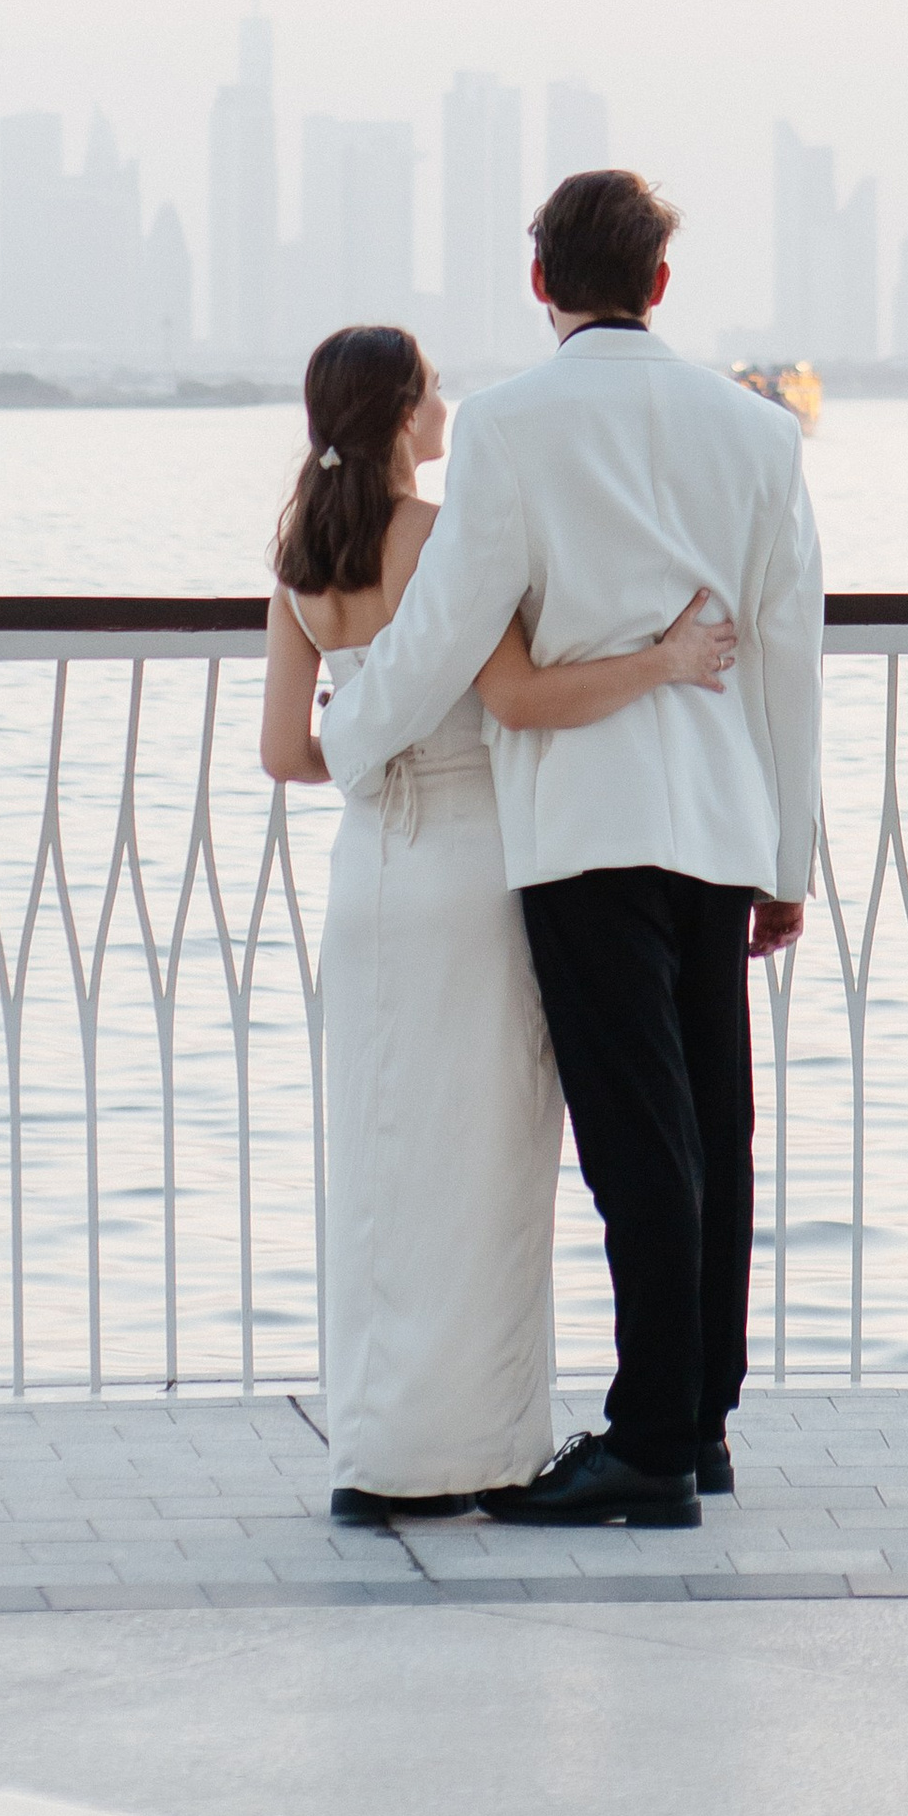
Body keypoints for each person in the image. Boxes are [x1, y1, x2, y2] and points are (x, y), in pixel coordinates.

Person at [319, 171, 825, 1531]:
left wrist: (352, 730)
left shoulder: (511, 426)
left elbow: (452, 621)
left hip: (584, 824)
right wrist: (789, 857)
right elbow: (788, 653)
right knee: (716, 1124)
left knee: (637, 1139)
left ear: (540, 284)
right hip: (720, 817)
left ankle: (649, 1441)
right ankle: (702, 1418)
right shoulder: (759, 433)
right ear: (661, 283)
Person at [260, 319, 742, 1525]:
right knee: (486, 1172)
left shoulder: (297, 556)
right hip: (474, 874)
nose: (447, 409)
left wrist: (380, 745)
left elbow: (286, 751)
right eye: (433, 392)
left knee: (382, 1170)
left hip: (369, 876)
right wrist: (668, 658)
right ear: (400, 418)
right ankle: (477, 1450)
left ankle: (376, 1456)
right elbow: (520, 697)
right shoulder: (440, 533)